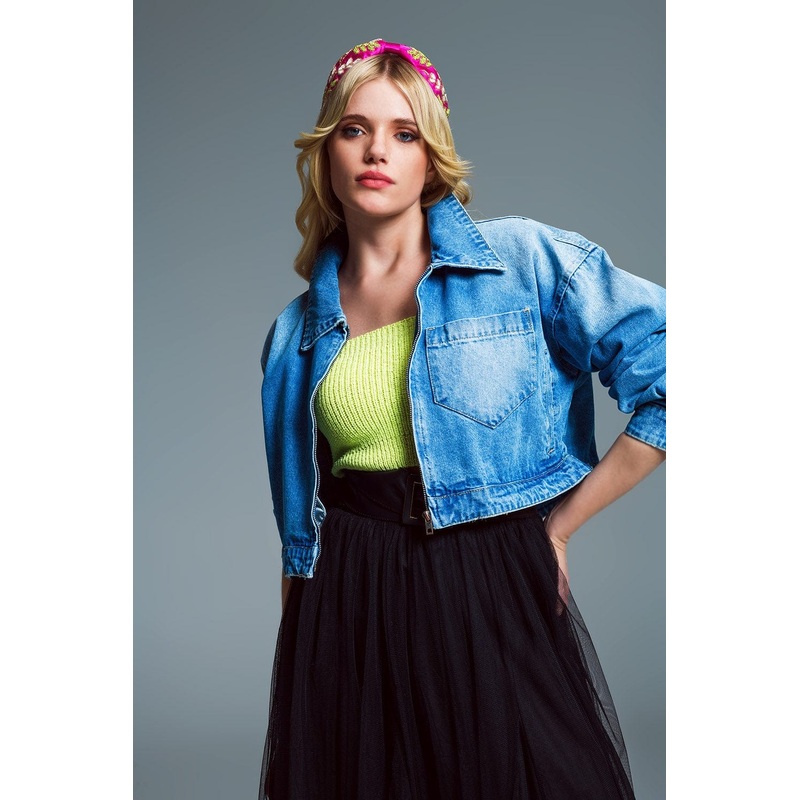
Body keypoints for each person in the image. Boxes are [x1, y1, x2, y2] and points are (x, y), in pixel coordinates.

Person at [258, 39, 665, 800]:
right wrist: (305, 673)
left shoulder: (523, 263)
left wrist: (558, 529)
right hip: (349, 598)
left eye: (404, 133)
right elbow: (298, 530)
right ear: (325, 154)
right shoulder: (294, 335)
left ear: (432, 160)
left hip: (488, 580)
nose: (377, 151)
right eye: (354, 129)